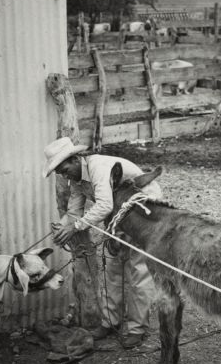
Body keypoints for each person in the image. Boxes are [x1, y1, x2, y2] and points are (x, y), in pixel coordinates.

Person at [42, 137, 162, 349]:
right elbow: (74, 211)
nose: (64, 175)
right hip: (119, 210)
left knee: (137, 267)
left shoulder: (98, 167)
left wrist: (75, 228)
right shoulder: (78, 180)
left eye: (64, 169)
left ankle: (137, 329)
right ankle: (109, 322)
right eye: (60, 172)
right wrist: (62, 227)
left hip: (142, 203)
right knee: (111, 263)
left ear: (77, 159)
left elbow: (104, 206)